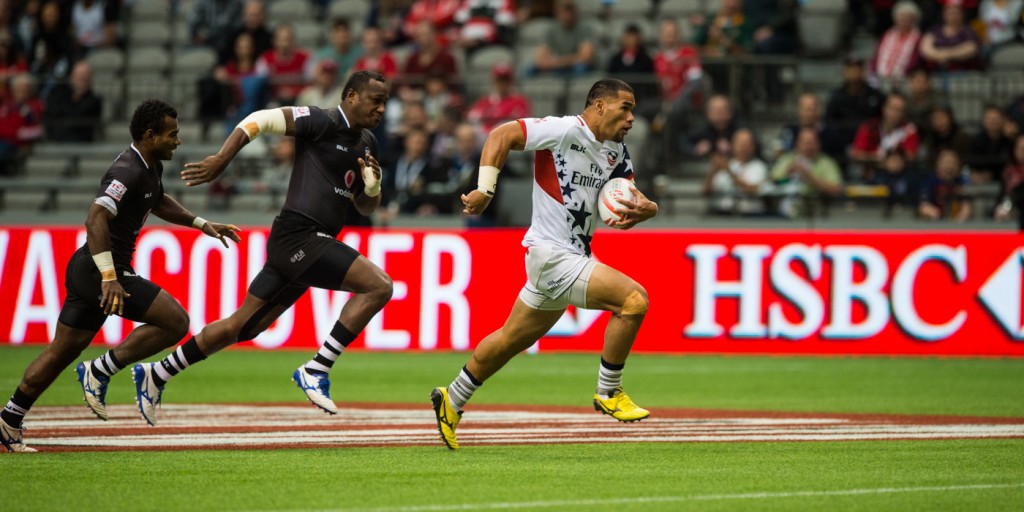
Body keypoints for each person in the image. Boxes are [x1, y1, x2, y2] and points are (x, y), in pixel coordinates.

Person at [131, 71, 394, 425]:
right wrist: (222, 159)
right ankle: (317, 368)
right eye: (375, 100)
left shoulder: (367, 143)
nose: (381, 108)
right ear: (350, 96)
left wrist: (373, 189)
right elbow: (258, 120)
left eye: (384, 102)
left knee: (243, 326)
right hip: (299, 235)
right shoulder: (321, 120)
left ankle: (157, 374)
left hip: (306, 242)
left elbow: (363, 207)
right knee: (379, 285)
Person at [430, 78, 659, 450]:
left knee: (509, 340)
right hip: (552, 255)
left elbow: (628, 197)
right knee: (633, 301)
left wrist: (649, 208)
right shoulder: (565, 130)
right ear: (599, 106)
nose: (632, 117)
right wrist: (485, 189)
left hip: (568, 257)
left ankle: (451, 398)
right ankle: (609, 390)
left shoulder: (616, 150)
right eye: (625, 107)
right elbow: (502, 134)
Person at [0, 100, 241, 452]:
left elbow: (157, 201)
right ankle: (100, 370)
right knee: (175, 322)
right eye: (172, 134)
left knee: (60, 352)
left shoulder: (148, 166)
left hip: (89, 268)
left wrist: (202, 224)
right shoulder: (127, 170)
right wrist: (110, 277)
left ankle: (9, 419)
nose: (178, 140)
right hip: (102, 270)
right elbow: (95, 218)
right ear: (149, 135)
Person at [771, 127, 844, 218]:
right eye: (805, 143)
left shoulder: (827, 163)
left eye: (812, 142)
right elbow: (771, 182)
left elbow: (836, 190)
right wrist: (787, 174)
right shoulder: (787, 159)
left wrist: (809, 177)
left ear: (818, 144)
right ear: (797, 144)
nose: (809, 146)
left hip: (814, 216)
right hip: (781, 215)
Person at [43, 59, 103, 142]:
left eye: (85, 77)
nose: (81, 80)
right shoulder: (60, 96)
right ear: (72, 77)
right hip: (58, 142)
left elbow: (79, 119)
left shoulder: (95, 100)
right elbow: (51, 115)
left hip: (83, 144)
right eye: (79, 76)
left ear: (90, 79)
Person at [868, 1, 923, 87]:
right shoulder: (887, 34)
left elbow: (915, 60)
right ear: (896, 18)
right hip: (881, 78)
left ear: (914, 19)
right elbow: (876, 56)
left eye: (908, 17)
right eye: (902, 17)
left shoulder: (918, 38)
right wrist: (874, 71)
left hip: (904, 79)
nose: (904, 20)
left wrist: (900, 74)